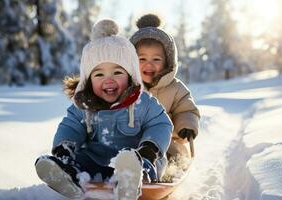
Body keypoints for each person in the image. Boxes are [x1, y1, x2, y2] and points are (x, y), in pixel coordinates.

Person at [35, 19, 173, 199]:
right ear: (88, 80)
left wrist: (149, 149)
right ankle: (68, 174)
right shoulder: (83, 107)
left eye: (117, 72)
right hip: (96, 161)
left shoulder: (143, 103)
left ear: (131, 75)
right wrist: (64, 147)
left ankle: (133, 179)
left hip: (138, 158)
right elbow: (70, 126)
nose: (108, 80)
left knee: (144, 163)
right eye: (99, 74)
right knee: (80, 159)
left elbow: (161, 124)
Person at [130, 14, 200, 157]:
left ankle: (168, 169)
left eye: (156, 59)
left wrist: (186, 125)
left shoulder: (175, 89)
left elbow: (186, 110)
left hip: (166, 143)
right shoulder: (127, 87)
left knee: (174, 154)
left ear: (167, 62)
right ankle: (127, 167)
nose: (149, 64)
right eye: (142, 58)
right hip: (129, 142)